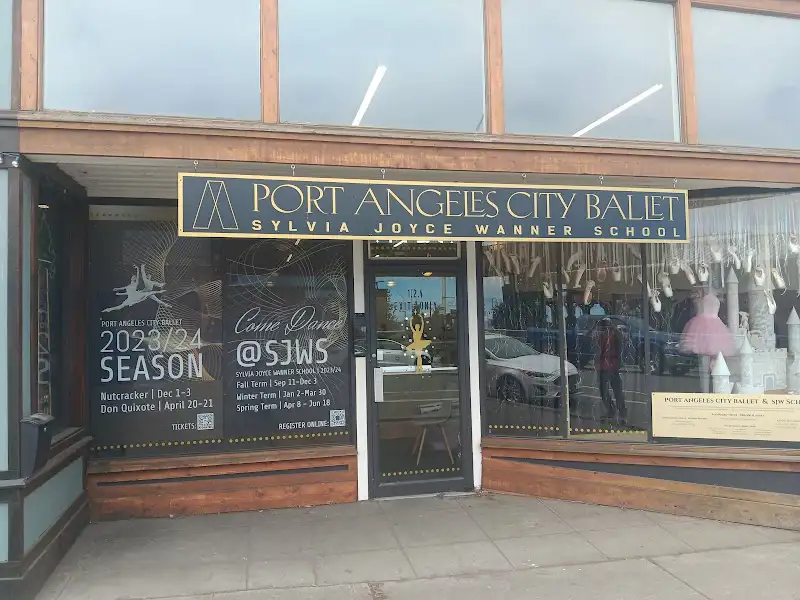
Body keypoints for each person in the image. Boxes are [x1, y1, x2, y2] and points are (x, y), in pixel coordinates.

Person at [595, 318, 627, 424]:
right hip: (603, 365)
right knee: (603, 391)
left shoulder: (615, 333)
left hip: (613, 365)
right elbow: (590, 340)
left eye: (607, 325)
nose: (605, 327)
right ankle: (611, 410)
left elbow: (622, 341)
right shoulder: (601, 335)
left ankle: (622, 414)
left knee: (617, 391)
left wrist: (614, 329)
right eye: (603, 325)